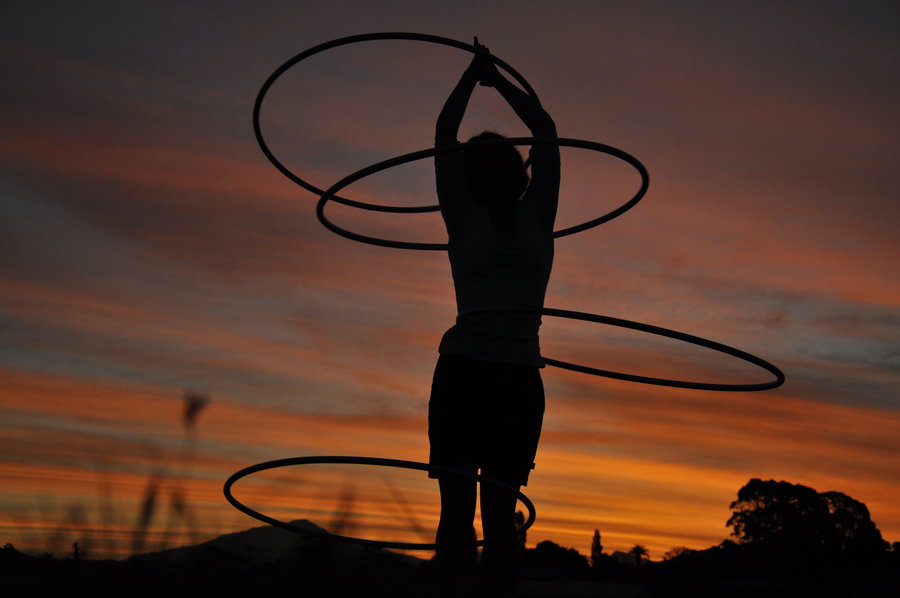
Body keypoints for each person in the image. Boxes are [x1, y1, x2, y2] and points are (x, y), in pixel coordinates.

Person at [428, 38, 560, 597]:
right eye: (474, 165)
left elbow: (546, 133)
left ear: (516, 167)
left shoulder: (540, 212)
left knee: (501, 514)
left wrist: (498, 77)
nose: (486, 170)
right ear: (470, 178)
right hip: (462, 370)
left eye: (496, 159)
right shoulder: (461, 215)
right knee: (457, 511)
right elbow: (442, 139)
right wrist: (467, 76)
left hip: (516, 375)